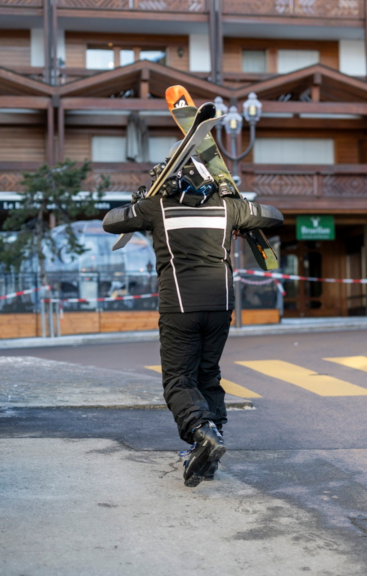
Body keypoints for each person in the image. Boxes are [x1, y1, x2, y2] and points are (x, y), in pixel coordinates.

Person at [102, 160, 283, 486]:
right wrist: (236, 199)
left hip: (180, 306)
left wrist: (137, 203)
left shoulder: (156, 207)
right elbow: (274, 216)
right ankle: (209, 454)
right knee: (207, 375)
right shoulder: (228, 208)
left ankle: (203, 433)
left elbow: (110, 222)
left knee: (179, 380)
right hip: (220, 307)